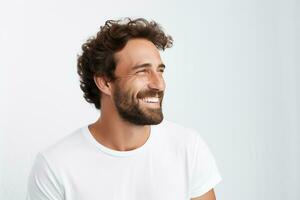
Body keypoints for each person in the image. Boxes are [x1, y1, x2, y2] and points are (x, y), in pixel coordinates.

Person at [26, 18, 222, 200]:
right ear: (105, 82)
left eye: (159, 71)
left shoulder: (187, 148)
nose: (158, 84)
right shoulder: (55, 166)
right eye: (142, 71)